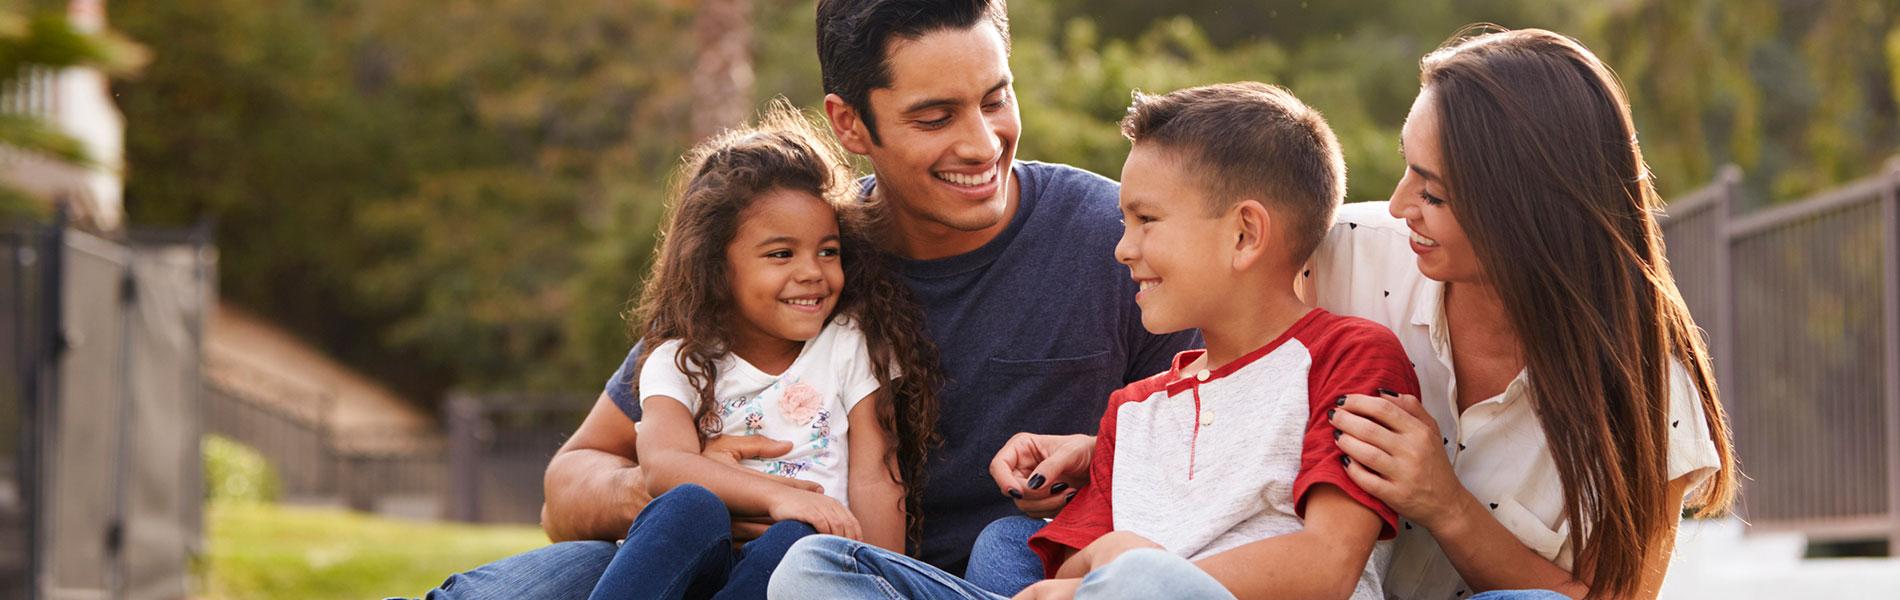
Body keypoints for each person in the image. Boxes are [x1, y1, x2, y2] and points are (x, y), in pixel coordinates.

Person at [419, 1, 1198, 598]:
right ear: (850, 123)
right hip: (736, 562)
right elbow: (570, 480)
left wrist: (1096, 457)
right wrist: (689, 484)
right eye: (935, 116)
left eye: (995, 99)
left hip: (940, 580)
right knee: (561, 571)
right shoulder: (795, 257)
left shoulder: (1113, 240)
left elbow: (1221, 438)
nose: (981, 142)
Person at [989, 27, 1739, 600]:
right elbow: (1244, 373)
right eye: (1407, 170)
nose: (1401, 205)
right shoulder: (1348, 248)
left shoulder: (1650, 390)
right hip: (1241, 579)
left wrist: (1446, 504)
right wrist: (1113, 448)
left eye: (1434, 192)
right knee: (1006, 548)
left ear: (1526, 212)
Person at [769, 82, 1420, 600]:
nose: (1122, 247)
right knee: (817, 567)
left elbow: (1330, 565)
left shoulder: (1347, 356)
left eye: (1146, 222)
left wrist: (1120, 568)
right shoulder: (1133, 409)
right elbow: (1073, 565)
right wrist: (1070, 583)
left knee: (1138, 578)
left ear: (1245, 234)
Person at [577, 101, 940, 600]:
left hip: (795, 572)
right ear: (716, 266)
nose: (813, 271)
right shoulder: (680, 360)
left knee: (800, 539)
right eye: (781, 254)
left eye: (828, 251)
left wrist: (879, 579)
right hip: (699, 559)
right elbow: (663, 465)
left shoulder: (850, 345)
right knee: (689, 506)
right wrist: (777, 496)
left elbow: (878, 477)